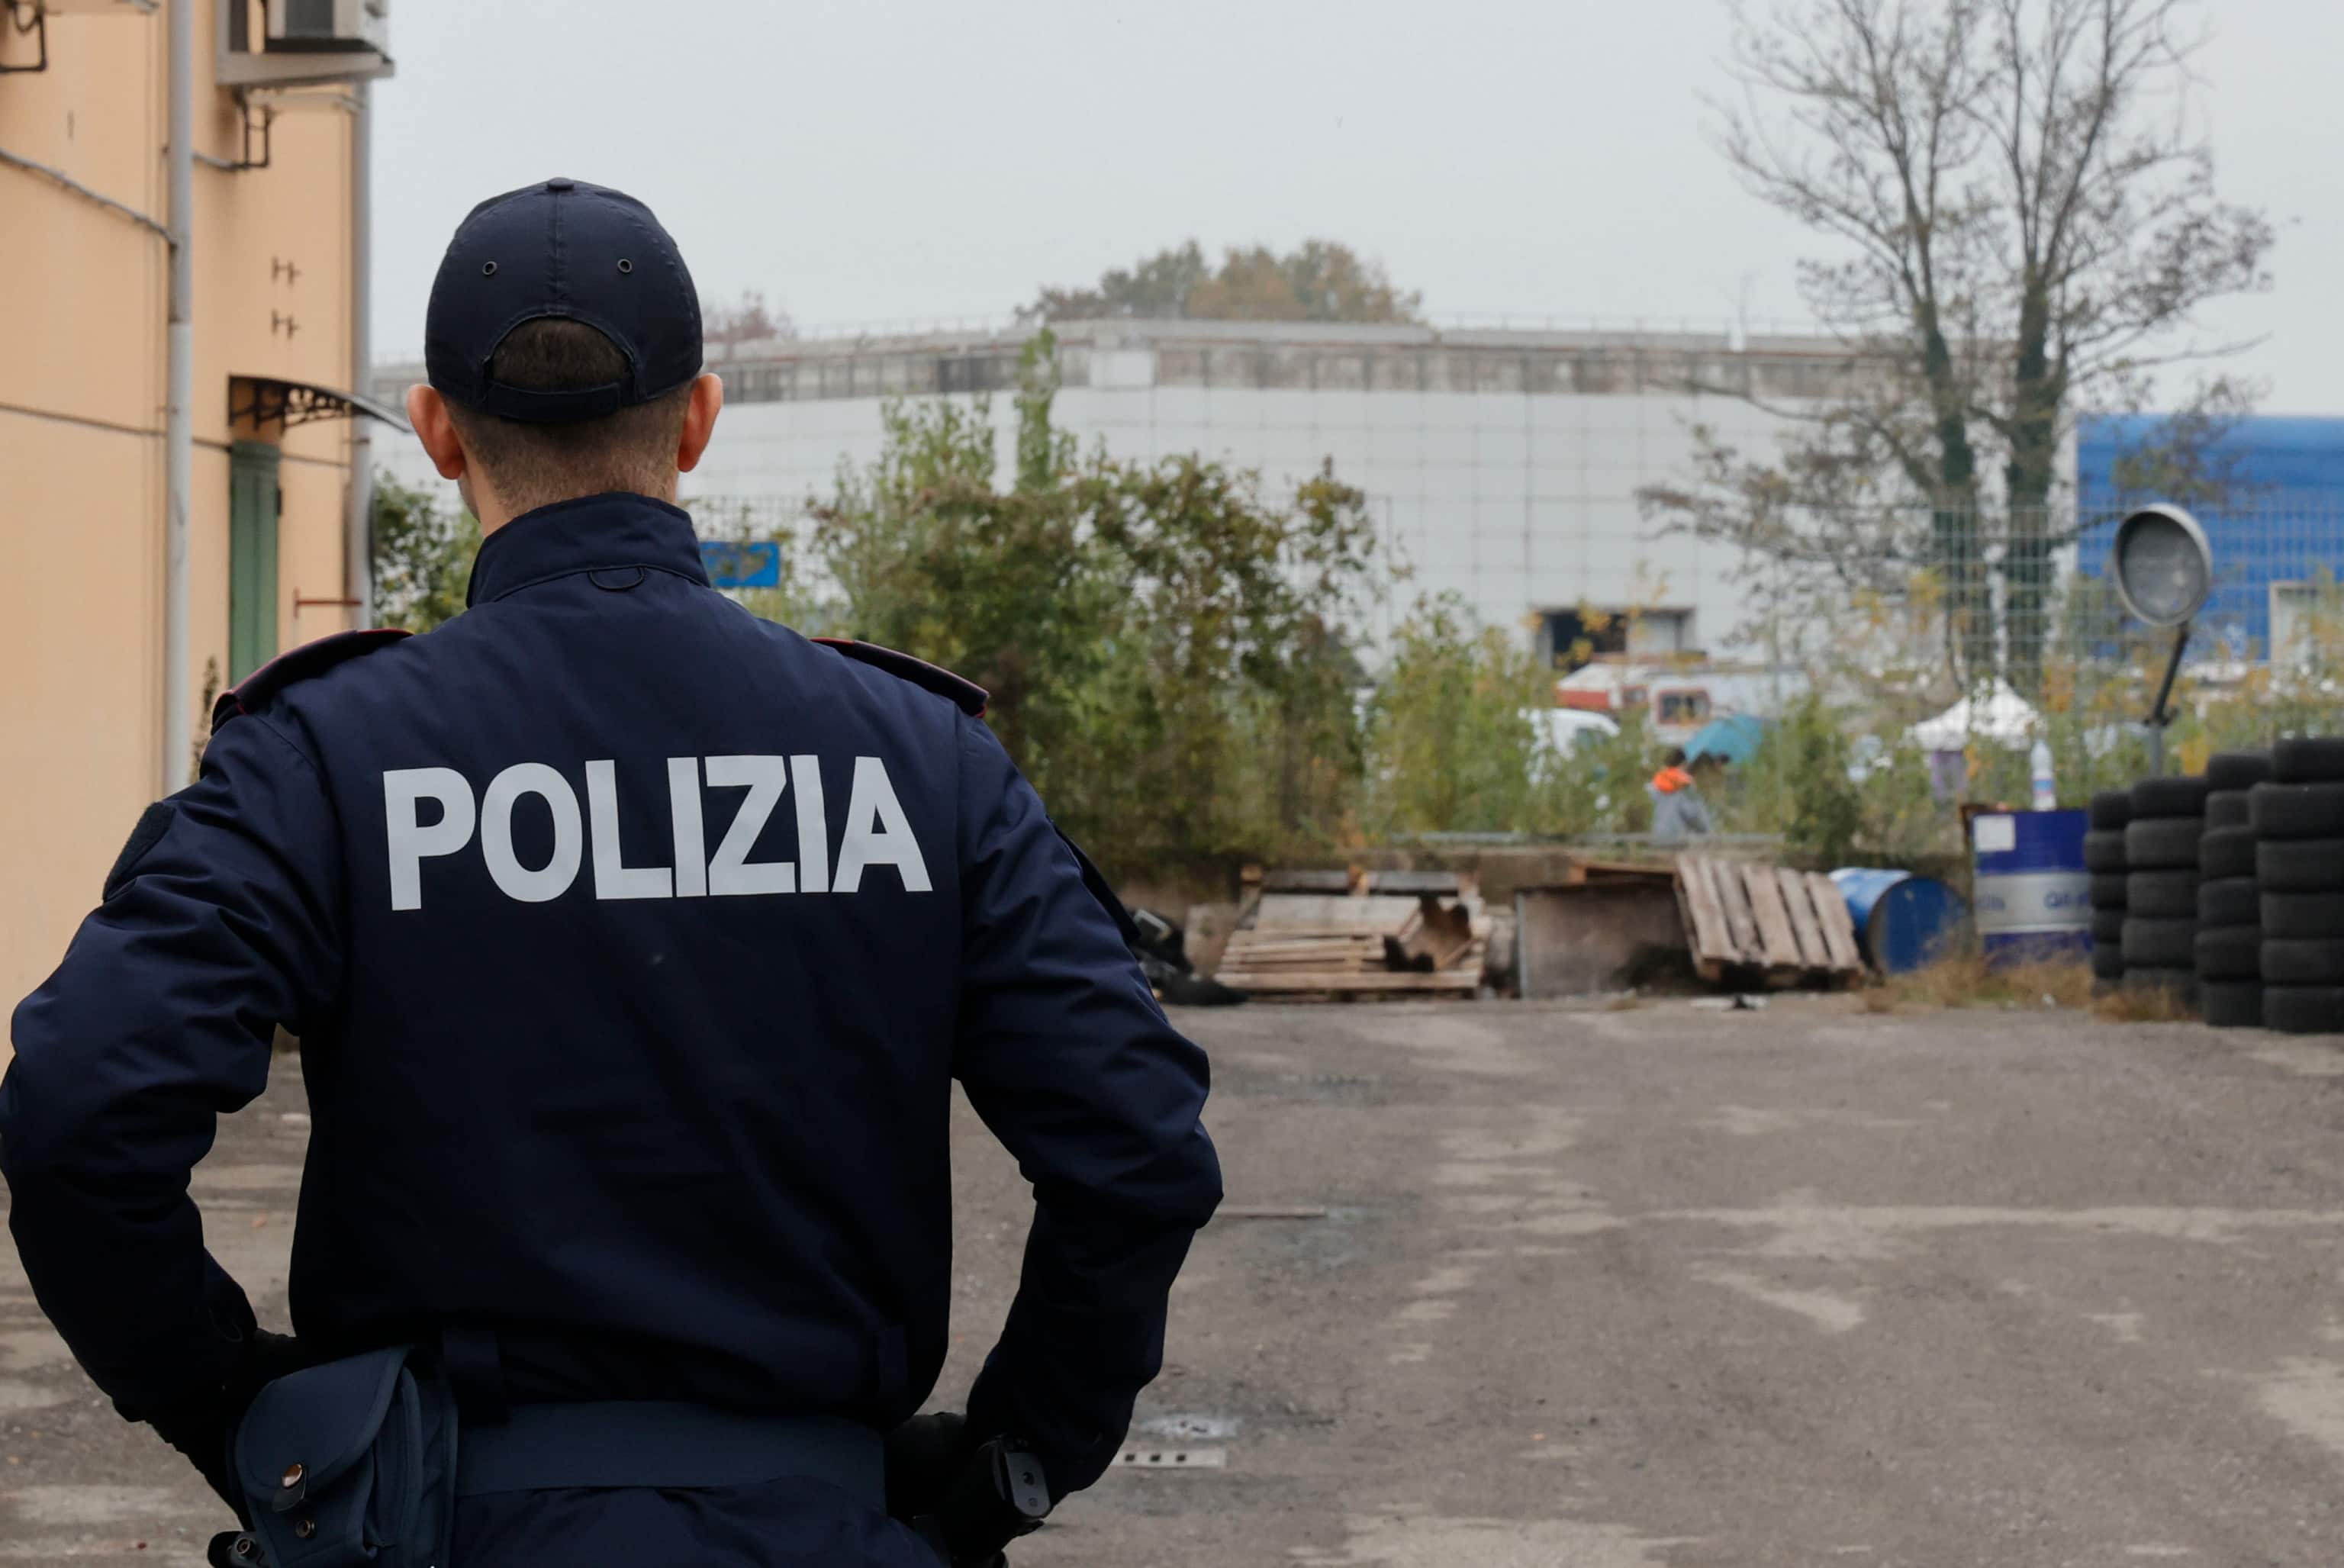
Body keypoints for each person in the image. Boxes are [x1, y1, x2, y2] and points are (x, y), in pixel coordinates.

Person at [1, 179, 1222, 1566]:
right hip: (821, 1529)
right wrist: (1012, 1461)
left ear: (437, 432)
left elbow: (80, 1113)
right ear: (697, 421)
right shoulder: (916, 763)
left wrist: (227, 1407)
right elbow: (1135, 1150)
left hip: (437, 1533)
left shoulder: (325, 758)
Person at [1649, 745, 1715, 842]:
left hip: (1651, 837)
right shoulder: (1685, 785)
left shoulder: (1652, 785)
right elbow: (1694, 815)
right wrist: (1707, 832)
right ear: (1684, 763)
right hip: (1676, 839)